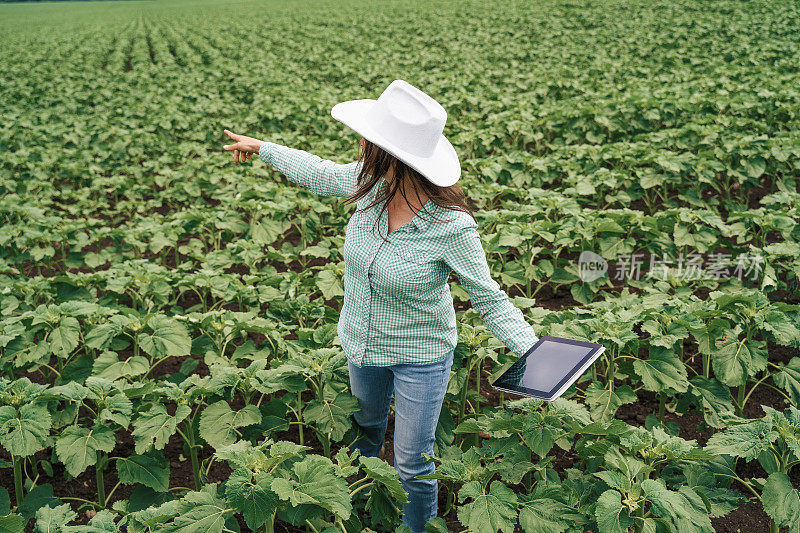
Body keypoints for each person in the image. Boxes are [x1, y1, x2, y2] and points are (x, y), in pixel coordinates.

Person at [222, 79, 539, 533]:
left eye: (367, 139)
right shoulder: (369, 191)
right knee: (364, 437)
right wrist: (264, 148)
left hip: (420, 356)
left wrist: (535, 354)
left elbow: (489, 296)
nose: (360, 144)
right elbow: (318, 172)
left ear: (388, 152)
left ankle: (417, 528)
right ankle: (365, 517)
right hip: (362, 346)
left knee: (412, 463)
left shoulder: (452, 227)